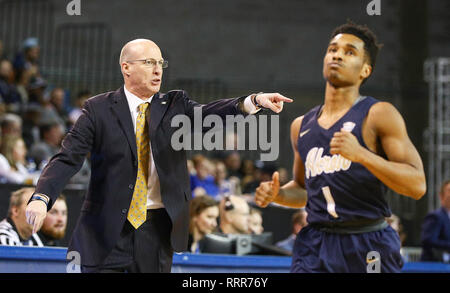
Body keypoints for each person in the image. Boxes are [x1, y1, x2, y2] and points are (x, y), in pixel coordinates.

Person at [25, 38, 292, 273]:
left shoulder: (175, 105)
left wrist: (253, 101)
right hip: (105, 229)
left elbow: (209, 114)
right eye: (149, 62)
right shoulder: (98, 109)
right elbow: (68, 157)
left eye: (160, 63)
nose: (157, 70)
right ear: (126, 67)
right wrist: (41, 196)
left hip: (156, 230)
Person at [255, 22, 426, 273]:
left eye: (350, 52)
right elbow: (304, 190)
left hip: (367, 241)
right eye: (333, 49)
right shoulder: (301, 125)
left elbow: (417, 185)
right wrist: (277, 195)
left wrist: (363, 155)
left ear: (365, 70)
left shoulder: (378, 114)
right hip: (316, 242)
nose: (337, 54)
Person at [421, 179, 450, 262]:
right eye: (449, 191)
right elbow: (428, 240)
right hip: (433, 265)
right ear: (441, 196)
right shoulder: (435, 216)